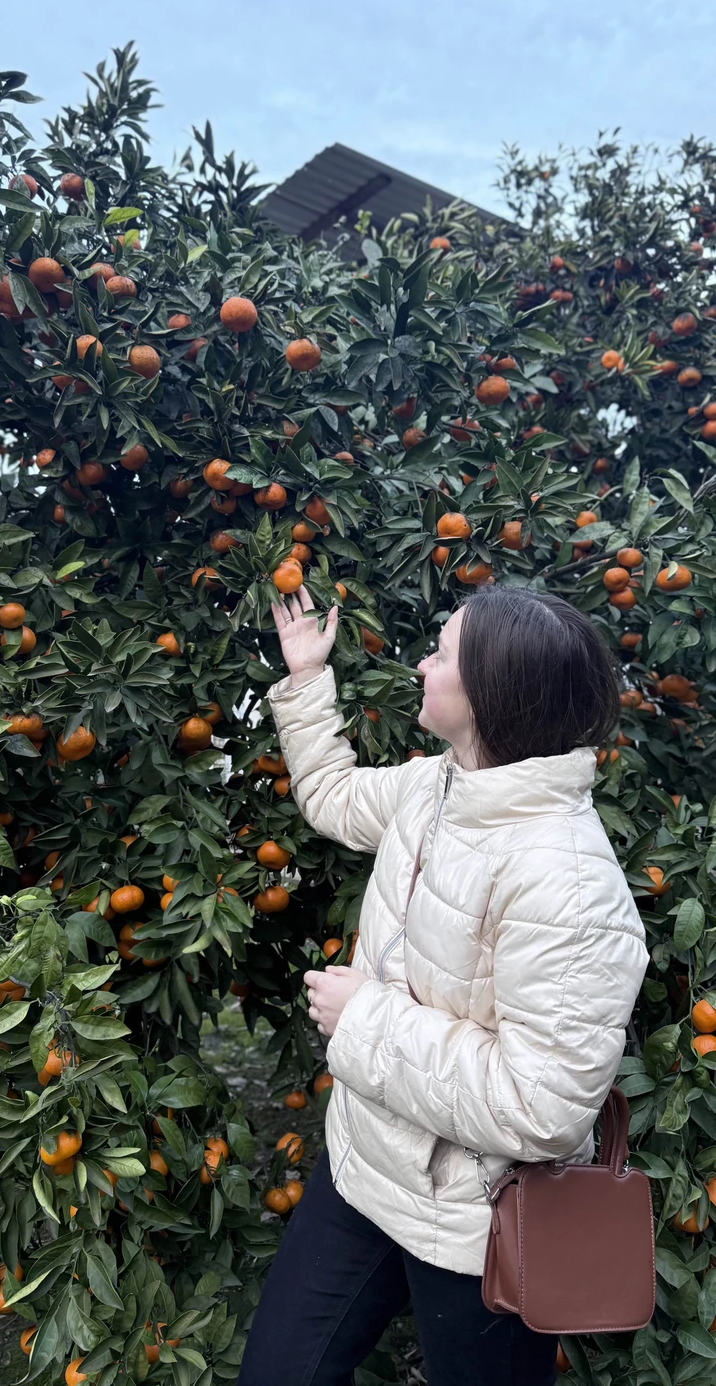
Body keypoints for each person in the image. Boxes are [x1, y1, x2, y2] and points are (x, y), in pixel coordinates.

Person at [238, 585, 650, 1386]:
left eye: (443, 652)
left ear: (493, 693)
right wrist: (305, 680)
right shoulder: (438, 788)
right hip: (365, 1170)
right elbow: (334, 799)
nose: (422, 663)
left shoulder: (567, 884)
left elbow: (544, 1107)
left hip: (478, 1224)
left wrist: (365, 1023)